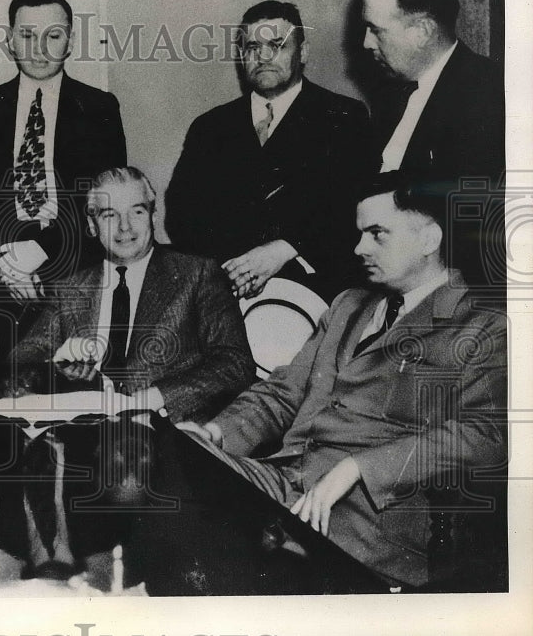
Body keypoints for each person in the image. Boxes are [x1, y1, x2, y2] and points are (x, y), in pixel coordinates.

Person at [134, 172, 506, 592]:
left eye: (376, 234)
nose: (358, 247)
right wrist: (213, 433)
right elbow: (282, 393)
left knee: (197, 530)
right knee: (158, 452)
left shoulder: (482, 326)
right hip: (284, 484)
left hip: (365, 523)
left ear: (428, 239)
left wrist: (358, 468)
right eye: (359, 233)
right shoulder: (349, 305)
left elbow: (485, 434)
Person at [0, 166, 254, 573]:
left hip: (161, 433)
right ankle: (49, 568)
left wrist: (152, 398)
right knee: (3, 449)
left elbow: (235, 362)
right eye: (107, 215)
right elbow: (19, 363)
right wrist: (58, 361)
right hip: (82, 438)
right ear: (89, 225)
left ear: (153, 214)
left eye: (136, 212)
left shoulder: (196, 274)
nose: (124, 227)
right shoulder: (72, 288)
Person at [165, 0, 376, 302]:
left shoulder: (344, 117)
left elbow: (354, 207)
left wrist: (286, 248)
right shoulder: (209, 127)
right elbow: (182, 215)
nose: (262, 57)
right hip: (226, 295)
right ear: (241, 56)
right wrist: (236, 268)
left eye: (276, 45)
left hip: (317, 294)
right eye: (252, 47)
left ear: (302, 52)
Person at [0, 0, 127, 307]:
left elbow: (103, 199)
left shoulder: (100, 109)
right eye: (28, 36)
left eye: (54, 36)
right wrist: (7, 267)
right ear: (10, 41)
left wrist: (40, 250)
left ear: (70, 42)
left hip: (77, 271)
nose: (40, 48)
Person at [360, 0, 505, 291]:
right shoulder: (394, 99)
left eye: (376, 30)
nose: (365, 43)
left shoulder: (488, 95)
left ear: (423, 31)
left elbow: (477, 236)